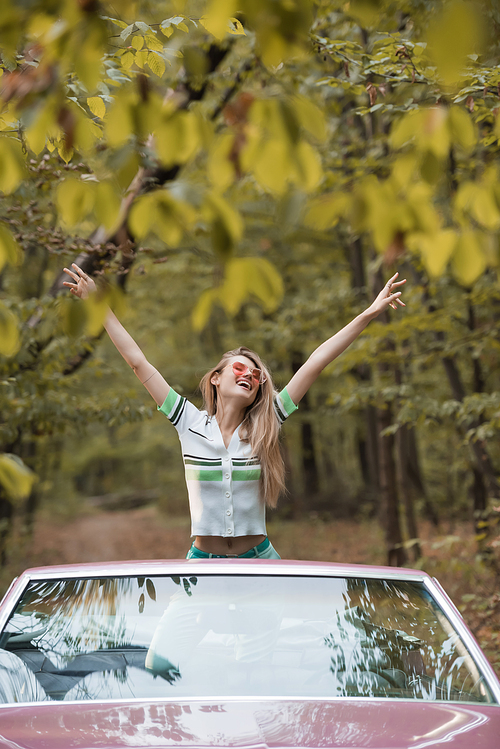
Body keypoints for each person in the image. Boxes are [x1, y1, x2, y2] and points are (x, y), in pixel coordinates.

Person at [63, 263, 406, 560]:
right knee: (174, 639)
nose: (250, 376)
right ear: (215, 379)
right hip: (202, 562)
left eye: (256, 375)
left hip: (260, 561)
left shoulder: (266, 422)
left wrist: (369, 313)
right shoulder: (188, 422)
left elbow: (315, 363)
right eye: (240, 368)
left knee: (272, 640)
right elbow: (138, 362)